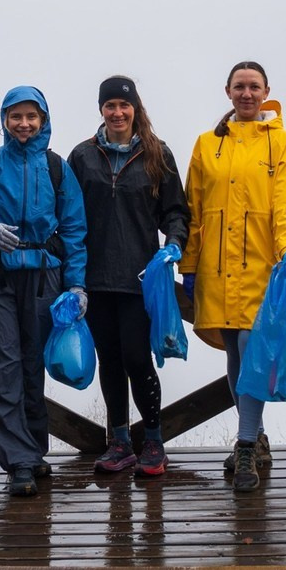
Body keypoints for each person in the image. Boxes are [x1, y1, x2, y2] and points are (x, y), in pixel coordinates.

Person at [179, 61, 286, 493]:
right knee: (233, 352)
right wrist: (189, 265)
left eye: (254, 87)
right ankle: (257, 433)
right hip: (216, 266)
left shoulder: (282, 142)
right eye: (239, 87)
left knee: (252, 349)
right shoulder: (206, 144)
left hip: (261, 266)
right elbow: (193, 209)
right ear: (227, 91)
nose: (247, 94)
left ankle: (246, 444)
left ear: (267, 90)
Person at [0, 86, 87, 497]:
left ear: (43, 119)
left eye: (31, 116)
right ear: (3, 119)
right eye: (15, 116)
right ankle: (18, 461)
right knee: (1, 366)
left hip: (44, 276)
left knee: (33, 366)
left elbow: (73, 228)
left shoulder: (57, 167)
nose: (23, 124)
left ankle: (34, 452)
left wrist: (77, 284)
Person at [67, 76, 190, 477]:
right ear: (101, 111)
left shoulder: (158, 154)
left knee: (138, 359)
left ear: (136, 108)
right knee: (111, 361)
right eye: (110, 106)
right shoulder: (82, 156)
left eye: (124, 105)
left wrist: (173, 243)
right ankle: (119, 442)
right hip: (95, 278)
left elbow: (176, 211)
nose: (117, 113)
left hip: (140, 278)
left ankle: (152, 440)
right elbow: (67, 215)